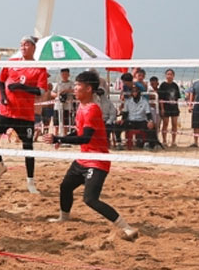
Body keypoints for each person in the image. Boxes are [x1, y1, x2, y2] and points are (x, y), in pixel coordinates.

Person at [42, 71, 139, 241]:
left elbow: (85, 137)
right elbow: (79, 132)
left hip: (97, 161)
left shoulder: (92, 109)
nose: (74, 88)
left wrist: (59, 138)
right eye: (75, 85)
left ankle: (127, 227)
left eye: (78, 85)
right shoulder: (81, 106)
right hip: (84, 158)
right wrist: (62, 138)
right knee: (65, 187)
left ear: (88, 89)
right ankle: (64, 217)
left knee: (90, 199)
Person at [0, 36, 49, 194]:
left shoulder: (39, 68)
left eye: (26, 44)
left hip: (24, 115)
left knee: (28, 148)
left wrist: (22, 87)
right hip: (7, 111)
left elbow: (41, 91)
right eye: (21, 44)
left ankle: (30, 182)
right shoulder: (12, 62)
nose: (23, 47)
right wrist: (4, 97)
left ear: (33, 47)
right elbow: (0, 82)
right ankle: (1, 166)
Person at [157, 69, 181, 148]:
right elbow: (160, 98)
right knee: (165, 124)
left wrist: (177, 108)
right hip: (166, 107)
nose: (169, 76)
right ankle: (164, 141)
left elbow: (177, 98)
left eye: (171, 74)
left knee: (174, 124)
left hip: (174, 108)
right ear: (165, 75)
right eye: (168, 74)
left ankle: (173, 141)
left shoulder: (175, 85)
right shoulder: (163, 85)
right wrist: (162, 109)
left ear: (173, 76)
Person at [51, 68, 74, 136]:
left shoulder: (71, 84)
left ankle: (65, 136)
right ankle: (56, 135)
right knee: (56, 122)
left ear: (68, 75)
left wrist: (67, 91)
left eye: (66, 74)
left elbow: (75, 91)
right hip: (58, 106)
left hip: (67, 106)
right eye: (63, 74)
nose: (64, 75)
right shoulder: (58, 84)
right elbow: (52, 93)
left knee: (66, 122)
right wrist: (58, 94)